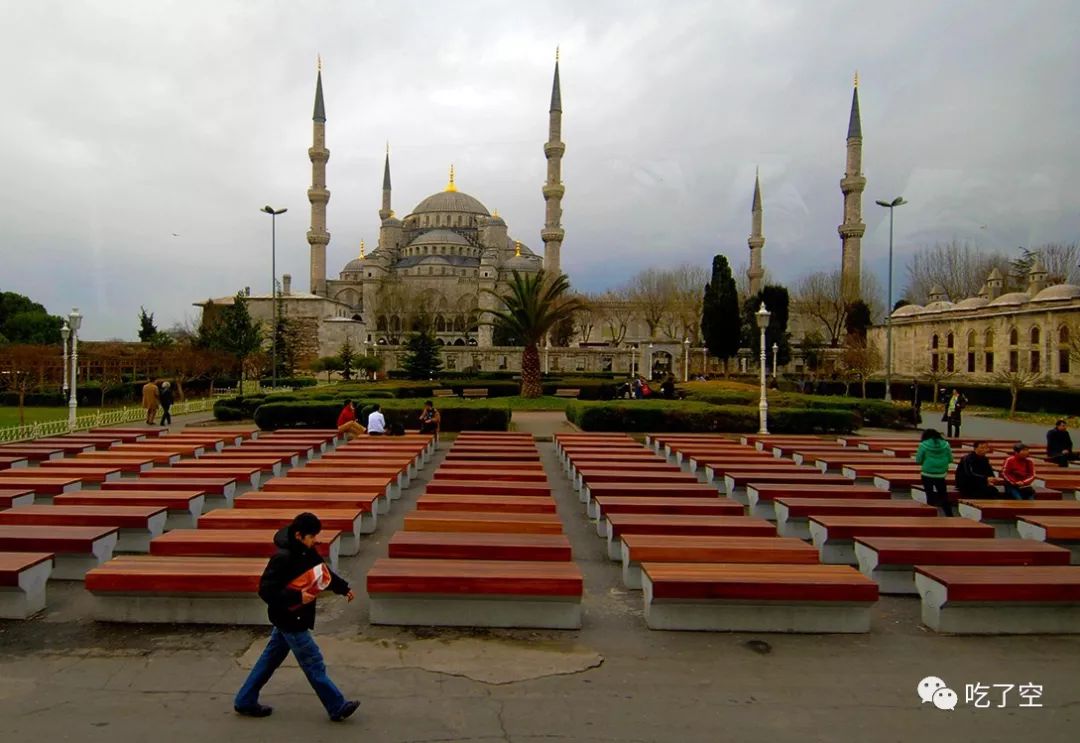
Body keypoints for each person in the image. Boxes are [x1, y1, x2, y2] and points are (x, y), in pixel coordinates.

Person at [234, 513, 360, 721]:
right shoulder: (282, 557)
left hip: (292, 617)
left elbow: (323, 572)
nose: (316, 540)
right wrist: (297, 596)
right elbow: (266, 590)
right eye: (312, 536)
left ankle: (245, 700)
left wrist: (343, 588)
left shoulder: (307, 551)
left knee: (269, 661)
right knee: (313, 661)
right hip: (290, 619)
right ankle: (336, 706)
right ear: (299, 535)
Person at [915, 428, 954, 516]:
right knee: (943, 495)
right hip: (941, 474)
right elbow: (950, 459)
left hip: (927, 473)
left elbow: (918, 460)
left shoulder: (923, 445)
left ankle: (931, 515)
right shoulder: (946, 444)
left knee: (929, 494)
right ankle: (949, 514)